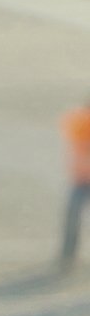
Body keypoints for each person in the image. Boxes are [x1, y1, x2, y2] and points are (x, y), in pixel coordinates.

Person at [61, 93, 90, 273]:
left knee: (73, 216)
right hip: (81, 178)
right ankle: (67, 254)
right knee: (72, 217)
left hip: (80, 177)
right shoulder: (79, 121)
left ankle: (67, 254)